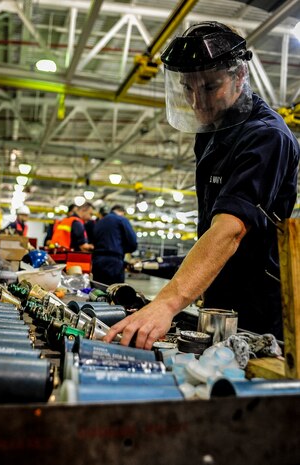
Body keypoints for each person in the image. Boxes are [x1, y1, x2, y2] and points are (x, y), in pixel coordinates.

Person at [104, 21, 299, 349]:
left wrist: (166, 302)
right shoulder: (212, 132)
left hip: (259, 307)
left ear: (239, 76)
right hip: (216, 293)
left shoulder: (267, 137)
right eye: (188, 88)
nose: (198, 101)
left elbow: (229, 230)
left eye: (210, 87)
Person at [91, 204, 137, 285]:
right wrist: (123, 250)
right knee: (114, 292)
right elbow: (132, 242)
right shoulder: (121, 219)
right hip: (114, 263)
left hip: (97, 261)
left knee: (99, 290)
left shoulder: (98, 222)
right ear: (122, 212)